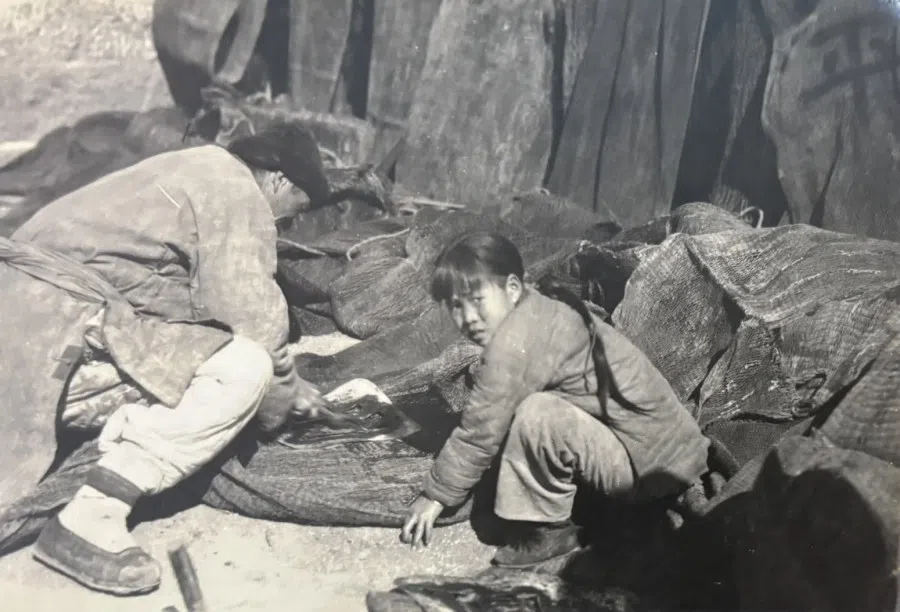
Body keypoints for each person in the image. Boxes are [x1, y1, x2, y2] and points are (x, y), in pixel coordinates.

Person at [2, 122, 331, 595]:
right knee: (245, 369)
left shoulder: (191, 167)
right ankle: (92, 516)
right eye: (295, 213)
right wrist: (286, 394)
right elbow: (253, 320)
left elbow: (164, 297)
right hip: (49, 336)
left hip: (24, 320)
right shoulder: (236, 189)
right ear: (279, 180)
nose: (287, 227)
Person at [400, 231, 711, 568]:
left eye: (477, 300)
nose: (468, 318)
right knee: (528, 408)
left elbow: (479, 433)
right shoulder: (541, 308)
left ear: (512, 288)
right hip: (674, 453)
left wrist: (435, 495)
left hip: (649, 472)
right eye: (456, 306)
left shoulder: (512, 344)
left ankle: (548, 531)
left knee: (536, 414)